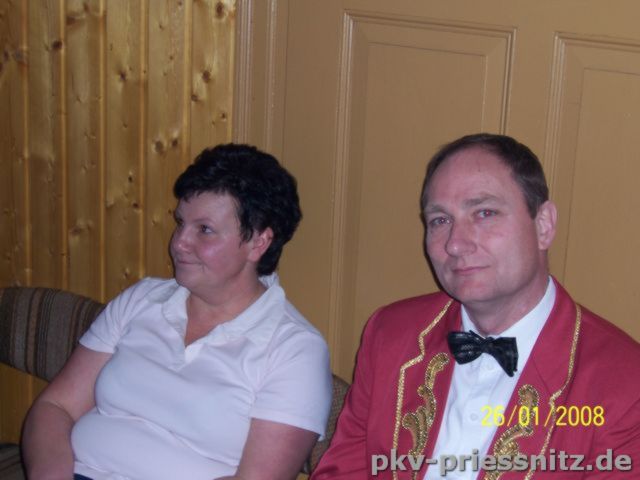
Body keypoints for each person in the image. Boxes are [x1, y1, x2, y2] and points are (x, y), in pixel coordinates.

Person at [311, 133, 640, 479]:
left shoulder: (624, 383)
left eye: (484, 213)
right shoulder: (391, 334)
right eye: (440, 220)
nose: (455, 244)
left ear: (543, 225)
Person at [22, 144, 333, 480]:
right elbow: (56, 406)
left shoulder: (294, 349)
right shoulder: (143, 299)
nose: (179, 242)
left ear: (258, 243)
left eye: (204, 229)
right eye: (181, 222)